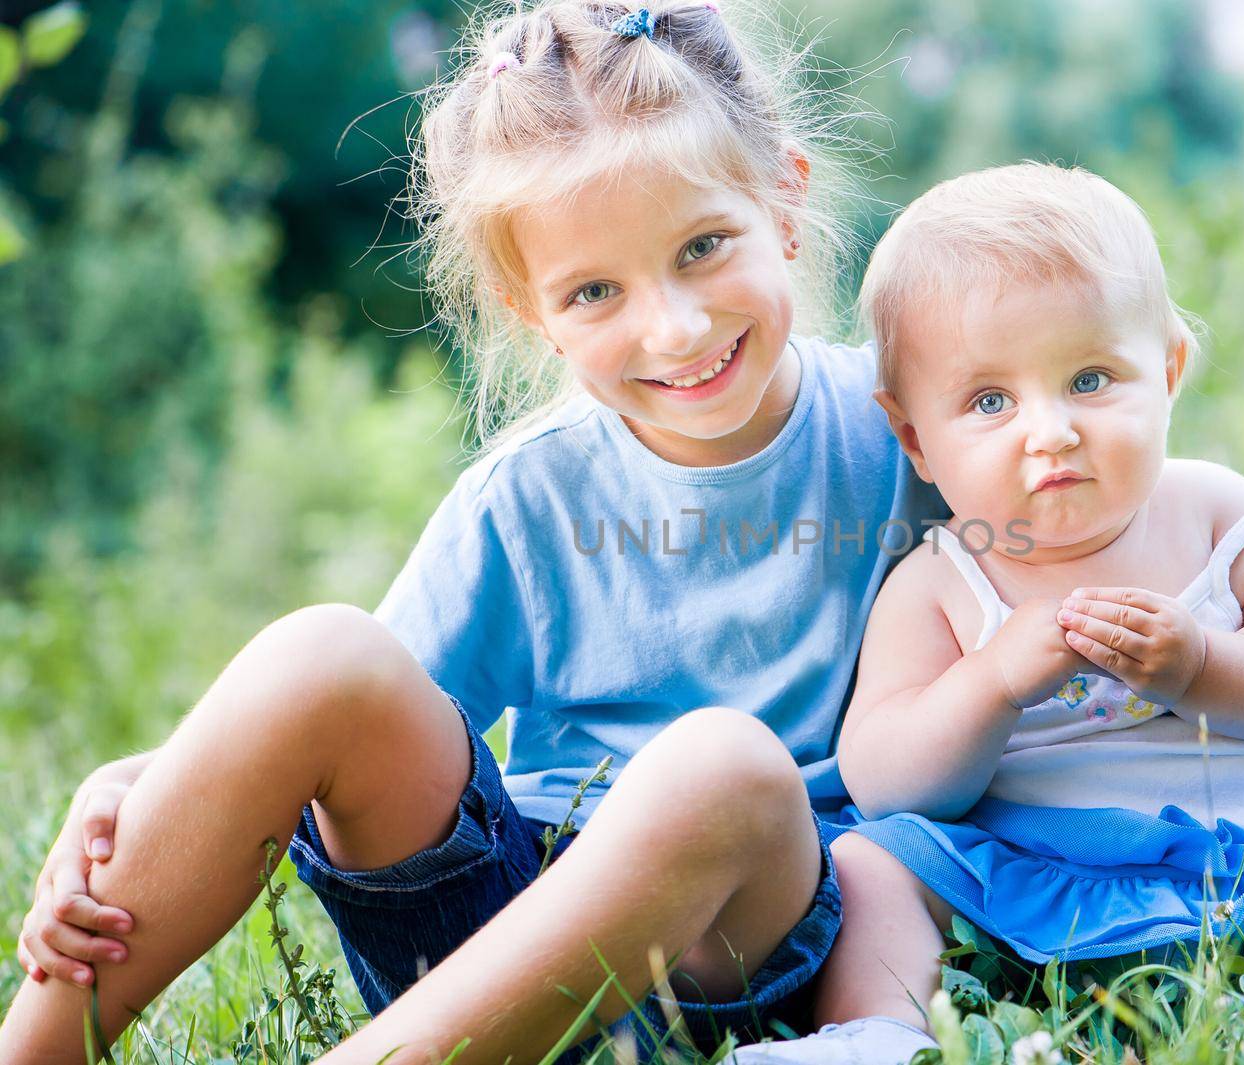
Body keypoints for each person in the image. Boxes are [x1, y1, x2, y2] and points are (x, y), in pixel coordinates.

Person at [0, 3, 946, 1061]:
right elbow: (331, 724)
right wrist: (124, 793)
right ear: (529, 309)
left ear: (784, 202)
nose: (672, 328)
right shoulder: (531, 494)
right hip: (488, 952)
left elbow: (1123, 526)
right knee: (326, 651)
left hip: (744, 948)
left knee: (724, 769)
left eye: (703, 246)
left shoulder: (916, 430)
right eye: (594, 290)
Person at [771, 163, 1244, 1058]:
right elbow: (888, 779)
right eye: (991, 400)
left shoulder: (1216, 512)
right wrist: (992, 681)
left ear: (1169, 371)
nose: (1051, 430)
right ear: (915, 439)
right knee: (873, 865)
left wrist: (1204, 667)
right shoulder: (942, 578)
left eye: (1091, 379)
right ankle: (870, 1034)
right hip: (1039, 868)